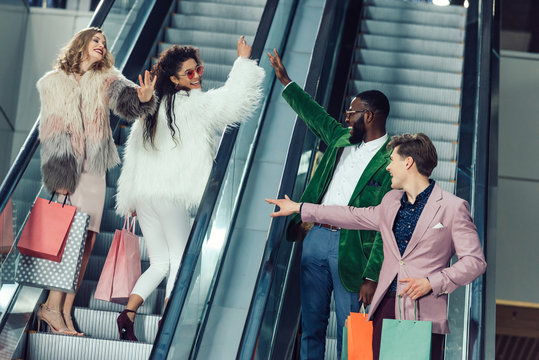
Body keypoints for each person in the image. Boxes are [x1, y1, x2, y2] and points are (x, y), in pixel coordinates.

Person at [266, 133, 487, 360]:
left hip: (421, 316)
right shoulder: (390, 201)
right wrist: (300, 208)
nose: (388, 167)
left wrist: (432, 282)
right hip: (383, 308)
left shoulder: (453, 207)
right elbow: (351, 215)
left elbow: (475, 262)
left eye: (392, 160)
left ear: (408, 162)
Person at [115, 36, 265, 341]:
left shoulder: (150, 110)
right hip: (170, 194)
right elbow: (233, 102)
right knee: (180, 260)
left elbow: (133, 155)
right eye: (191, 73)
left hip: (144, 195)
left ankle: (127, 314)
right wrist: (243, 62)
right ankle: (167, 325)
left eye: (199, 69)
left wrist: (129, 195)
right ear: (174, 79)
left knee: (159, 261)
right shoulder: (193, 105)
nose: (198, 76)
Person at [267, 49, 393, 359]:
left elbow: (385, 224)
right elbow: (315, 116)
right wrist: (286, 82)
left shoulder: (392, 159)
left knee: (355, 331)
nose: (347, 117)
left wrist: (372, 275)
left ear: (371, 116)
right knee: (311, 326)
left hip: (353, 249)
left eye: (354, 112)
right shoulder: (341, 138)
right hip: (316, 237)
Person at [37, 27, 157, 336]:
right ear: (81, 43)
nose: (101, 45)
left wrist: (143, 99)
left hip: (94, 172)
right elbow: (52, 132)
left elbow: (128, 99)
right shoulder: (54, 83)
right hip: (69, 172)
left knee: (87, 243)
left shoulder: (105, 78)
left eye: (104, 42)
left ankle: (64, 310)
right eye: (96, 40)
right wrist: (59, 177)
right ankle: (51, 306)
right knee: (69, 241)